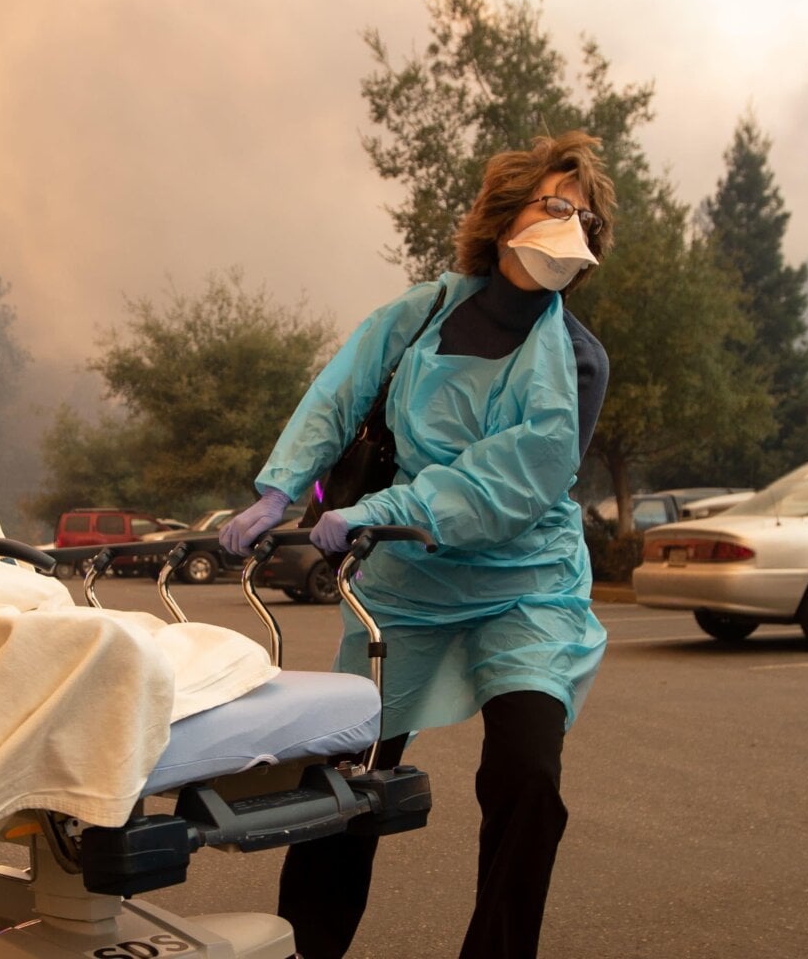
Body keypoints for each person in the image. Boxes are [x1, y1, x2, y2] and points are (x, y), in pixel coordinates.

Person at [221, 131, 615, 958]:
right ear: (508, 213)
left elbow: (507, 483)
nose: (567, 223)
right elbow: (340, 390)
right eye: (553, 203)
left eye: (581, 216)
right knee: (343, 780)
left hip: (526, 587)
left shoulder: (576, 359)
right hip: (406, 586)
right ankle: (307, 949)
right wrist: (279, 487)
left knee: (528, 780)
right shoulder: (427, 311)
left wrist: (378, 511)